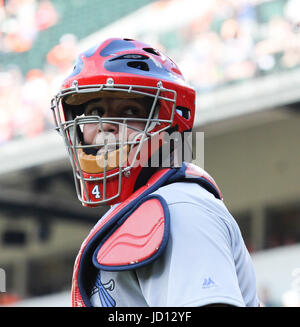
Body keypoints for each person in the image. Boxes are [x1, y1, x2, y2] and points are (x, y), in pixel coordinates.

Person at [51, 37, 259, 307]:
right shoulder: (142, 208)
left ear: (169, 125)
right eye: (94, 111)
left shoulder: (181, 206)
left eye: (129, 110)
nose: (105, 126)